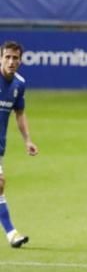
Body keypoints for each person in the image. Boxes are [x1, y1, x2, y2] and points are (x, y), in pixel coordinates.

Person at [0, 40, 38, 249]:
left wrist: (27, 140)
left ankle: (11, 234)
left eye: (15, 58)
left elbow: (20, 113)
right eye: (7, 57)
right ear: (0, 58)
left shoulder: (19, 84)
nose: (11, 61)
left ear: (20, 61)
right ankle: (12, 233)